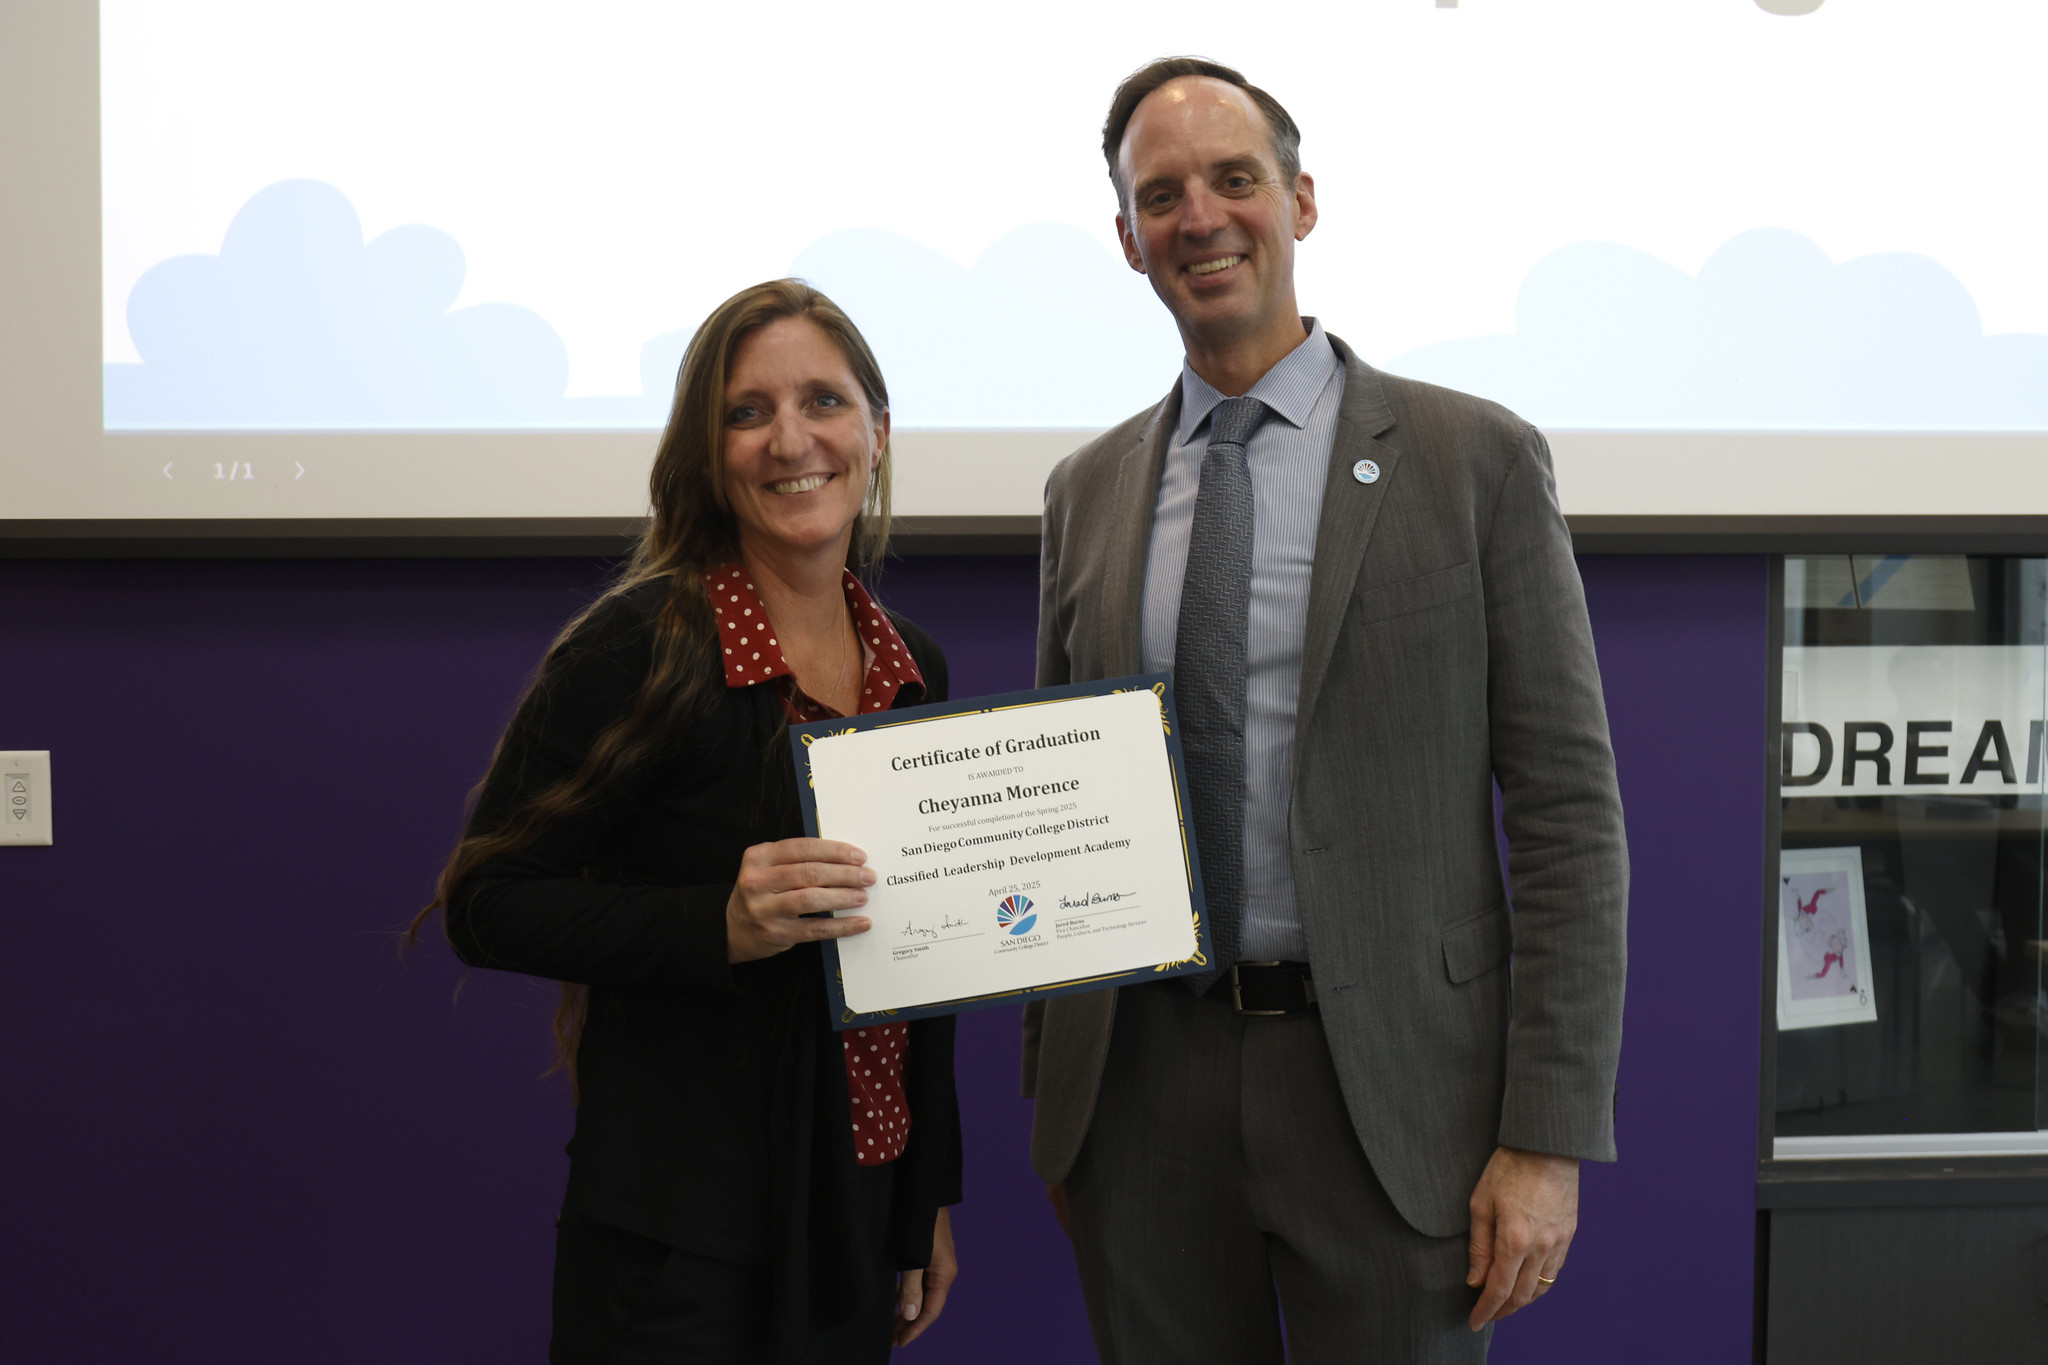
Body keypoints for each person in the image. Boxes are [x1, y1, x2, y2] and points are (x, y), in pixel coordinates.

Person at [1022, 57, 1629, 1361]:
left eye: (1234, 180)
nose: (1203, 218)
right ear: (1128, 241)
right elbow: (1061, 809)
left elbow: (1572, 815)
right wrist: (1057, 1093)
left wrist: (1547, 1135)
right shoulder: (1085, 493)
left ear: (1301, 201)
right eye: (1162, 194)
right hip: (1143, 1093)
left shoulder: (1475, 461)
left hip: (1397, 1094)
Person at [414, 280, 961, 1363]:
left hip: (853, 1213)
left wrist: (923, 1200)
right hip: (680, 1237)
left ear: (878, 434)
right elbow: (486, 905)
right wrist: (719, 923)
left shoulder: (912, 668)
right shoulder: (639, 649)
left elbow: (919, 973)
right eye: (745, 412)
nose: (789, 439)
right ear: (708, 456)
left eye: (824, 402)